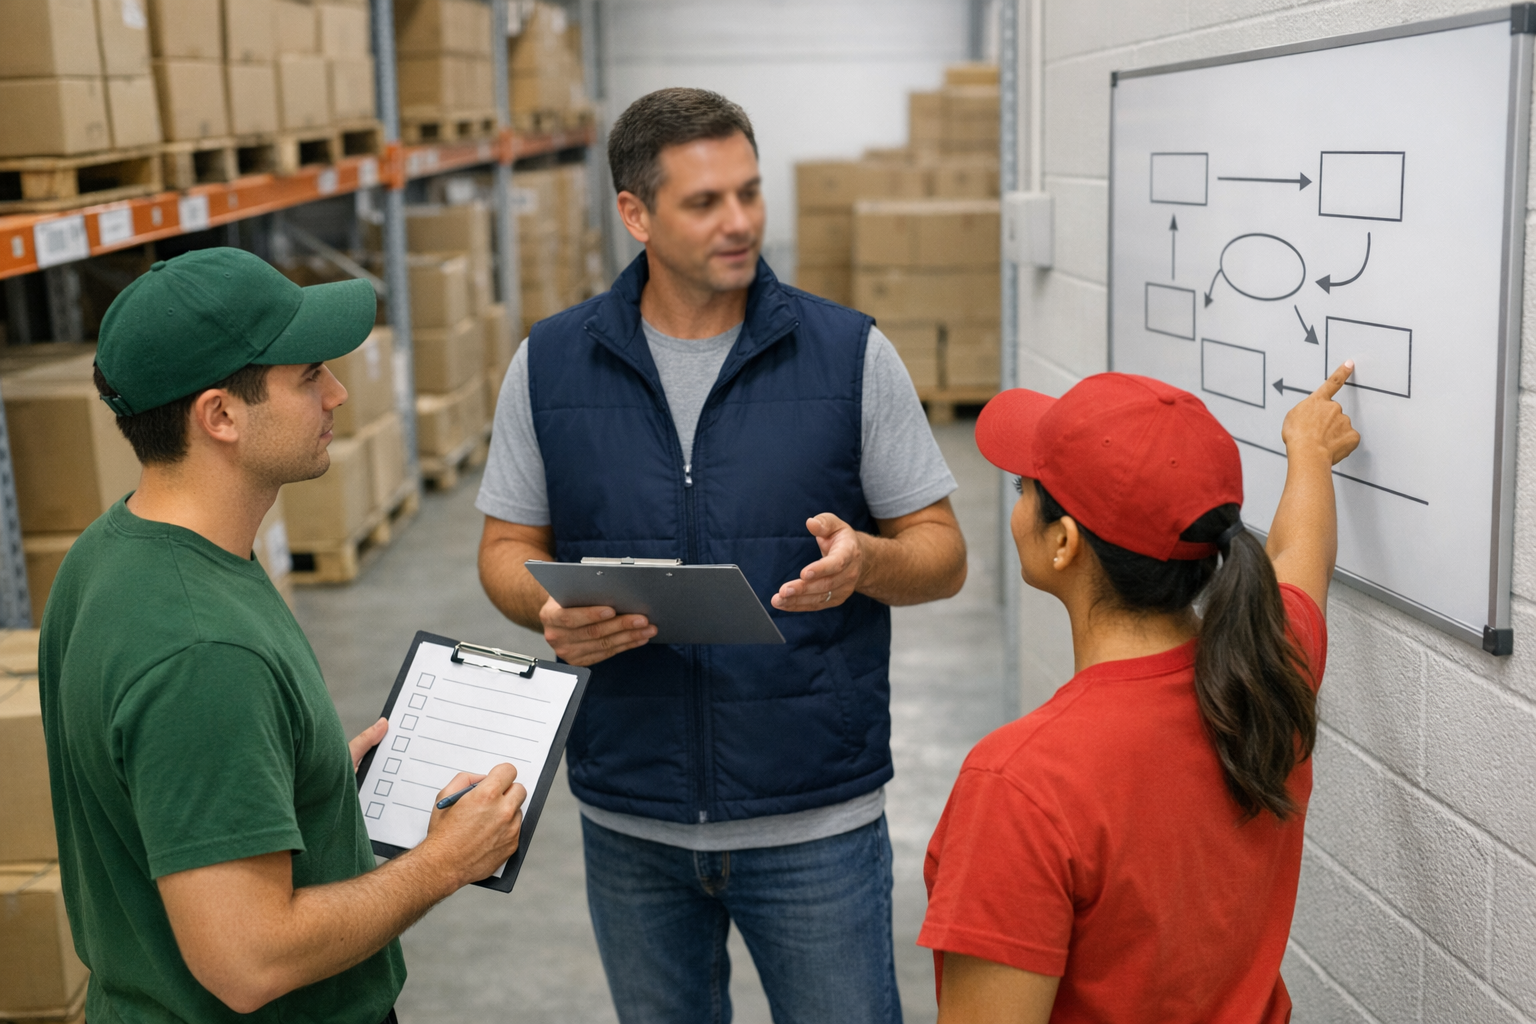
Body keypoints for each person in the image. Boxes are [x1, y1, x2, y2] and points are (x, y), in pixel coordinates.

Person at [477, 87, 967, 1023]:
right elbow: (506, 549)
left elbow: (942, 553)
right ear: (635, 214)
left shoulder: (849, 355)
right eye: (705, 202)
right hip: (631, 818)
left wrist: (868, 562)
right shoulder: (549, 365)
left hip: (814, 815)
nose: (739, 222)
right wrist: (547, 612)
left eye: (749, 192)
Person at [38, 248, 528, 1024]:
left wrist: (310, 783)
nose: (336, 393)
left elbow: (161, 788)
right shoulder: (202, 653)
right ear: (220, 416)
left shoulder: (111, 552)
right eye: (306, 377)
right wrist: (443, 863)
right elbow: (249, 961)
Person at [919, 364, 1361, 1022]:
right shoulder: (1269, 677)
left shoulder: (1021, 785)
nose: (1015, 508)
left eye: (1024, 489)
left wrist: (1308, 450)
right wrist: (1310, 448)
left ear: (1064, 542)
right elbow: (1302, 549)